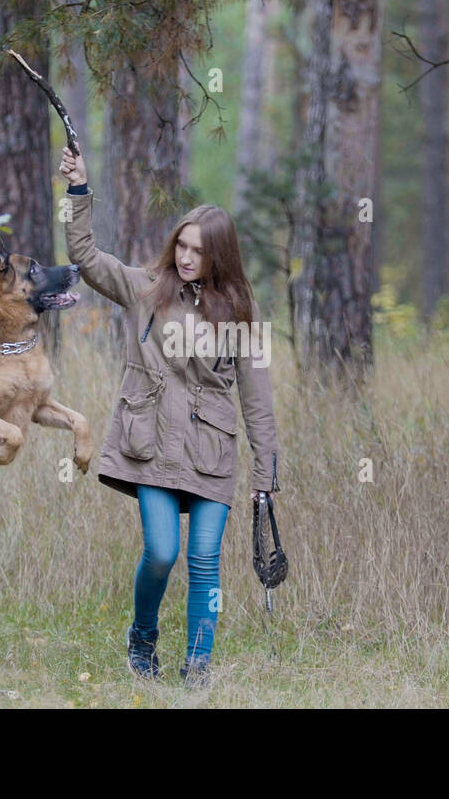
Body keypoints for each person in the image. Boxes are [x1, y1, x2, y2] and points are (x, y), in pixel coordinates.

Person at [58, 145, 282, 687]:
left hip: (211, 452)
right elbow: (86, 256)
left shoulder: (241, 312)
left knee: (205, 559)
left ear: (218, 257)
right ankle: (142, 639)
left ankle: (198, 662)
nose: (184, 257)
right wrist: (79, 191)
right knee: (161, 551)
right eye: (181, 245)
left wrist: (266, 478)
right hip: (149, 443)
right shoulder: (144, 288)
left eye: (197, 250)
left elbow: (257, 398)